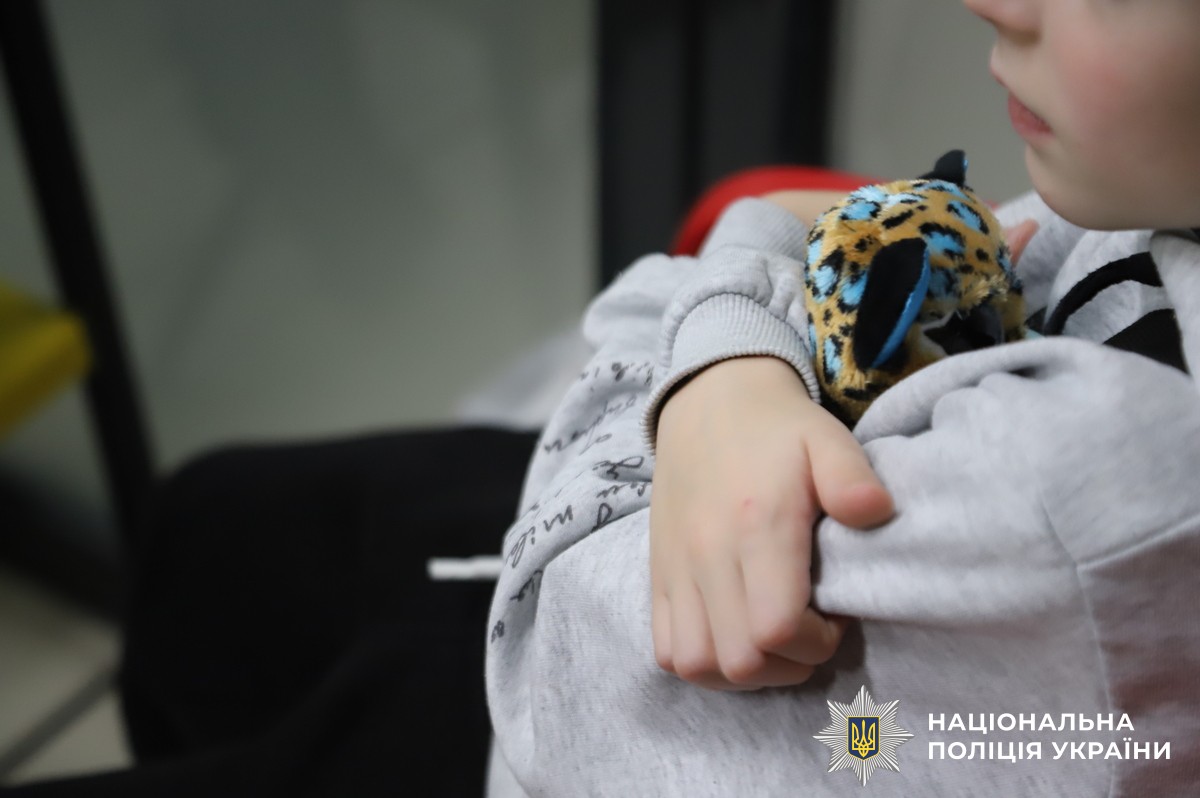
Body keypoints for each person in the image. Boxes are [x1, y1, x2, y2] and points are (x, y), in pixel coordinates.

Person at [485, 0, 1200, 794]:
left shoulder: (1089, 481)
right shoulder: (1139, 214)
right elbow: (809, 217)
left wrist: (717, 352)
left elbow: (548, 653)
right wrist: (733, 371)